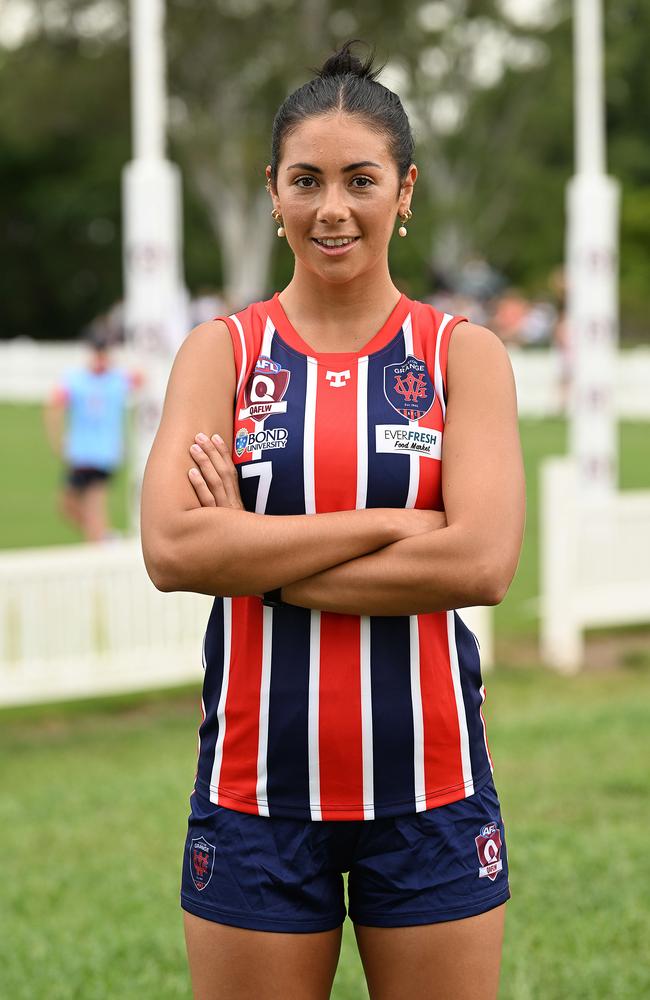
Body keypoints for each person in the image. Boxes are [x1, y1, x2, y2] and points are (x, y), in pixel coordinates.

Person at [141, 40, 525, 1000]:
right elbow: (174, 547)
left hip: (431, 795)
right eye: (306, 181)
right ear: (272, 192)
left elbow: (479, 563)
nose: (332, 208)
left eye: (361, 180)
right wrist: (397, 523)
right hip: (254, 798)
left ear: (405, 191)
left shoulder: (460, 356)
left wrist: (255, 560)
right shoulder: (221, 354)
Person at [45, 331, 141, 542]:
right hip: (81, 452)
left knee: (94, 506)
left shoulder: (117, 379)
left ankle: (101, 543)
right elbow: (54, 405)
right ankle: (105, 539)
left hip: (104, 452)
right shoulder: (77, 379)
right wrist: (57, 439)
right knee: (68, 505)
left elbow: (142, 377)